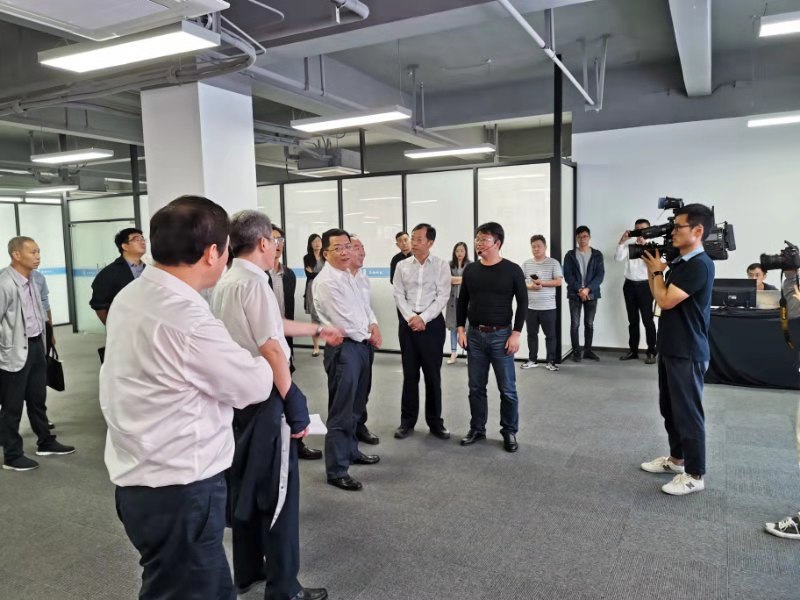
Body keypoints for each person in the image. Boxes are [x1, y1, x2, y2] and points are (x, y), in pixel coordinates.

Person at [101, 196, 275, 599]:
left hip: (140, 478)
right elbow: (252, 386)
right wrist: (270, 354)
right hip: (181, 490)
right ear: (213, 252)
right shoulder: (187, 319)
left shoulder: (133, 295)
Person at [212, 210, 333, 600]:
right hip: (266, 399)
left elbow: (272, 325)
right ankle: (284, 588)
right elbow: (272, 349)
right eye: (275, 241)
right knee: (279, 493)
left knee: (247, 484)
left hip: (238, 400)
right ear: (264, 242)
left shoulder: (228, 280)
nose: (277, 247)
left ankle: (248, 570)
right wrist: (293, 401)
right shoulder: (255, 283)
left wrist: (316, 329)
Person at [639, 203, 715, 496]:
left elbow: (666, 300)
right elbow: (659, 294)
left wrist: (658, 273)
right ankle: (676, 460)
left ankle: (695, 474)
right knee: (670, 408)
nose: (672, 232)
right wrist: (654, 271)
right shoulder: (682, 263)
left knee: (688, 413)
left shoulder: (698, 265)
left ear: (697, 231)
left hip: (688, 349)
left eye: (678, 226)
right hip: (671, 345)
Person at [313, 229, 382, 491]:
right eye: (338, 248)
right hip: (344, 349)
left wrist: (374, 325)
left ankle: (351, 451)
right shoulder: (326, 282)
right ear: (325, 253)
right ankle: (337, 469)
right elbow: (344, 322)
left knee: (356, 406)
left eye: (347, 246)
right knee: (341, 410)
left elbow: (365, 308)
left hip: (361, 346)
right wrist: (369, 333)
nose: (345, 252)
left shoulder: (350, 276)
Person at [0, 237, 75, 472]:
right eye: (32, 252)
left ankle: (46, 442)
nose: (38, 256)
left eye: (39, 251)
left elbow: (40, 311)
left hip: (36, 346)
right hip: (14, 352)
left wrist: (46, 337)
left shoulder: (34, 279)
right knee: (12, 407)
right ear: (16, 255)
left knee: (37, 399)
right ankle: (12, 455)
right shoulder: (5, 283)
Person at [457, 222, 527, 453]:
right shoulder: (471, 270)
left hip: (501, 336)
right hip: (475, 336)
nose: (479, 243)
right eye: (477, 239)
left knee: (507, 389)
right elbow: (462, 301)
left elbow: (523, 303)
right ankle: (477, 428)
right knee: (476, 387)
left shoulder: (512, 270)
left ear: (497, 243)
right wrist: (460, 329)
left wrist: (516, 333)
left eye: (484, 239)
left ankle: (509, 431)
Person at [392, 223, 451, 440]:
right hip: (408, 324)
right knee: (410, 375)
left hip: (432, 325)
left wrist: (423, 318)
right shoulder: (402, 266)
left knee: (433, 375)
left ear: (430, 242)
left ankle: (435, 423)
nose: (413, 243)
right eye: (412, 238)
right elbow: (398, 294)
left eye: (419, 239)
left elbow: (443, 296)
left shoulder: (441, 265)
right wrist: (411, 317)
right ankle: (407, 422)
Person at [270, 225, 324, 461]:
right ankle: (275, 448)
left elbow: (286, 317)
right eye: (272, 239)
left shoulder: (288, 275)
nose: (277, 244)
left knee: (287, 395)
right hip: (263, 349)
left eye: (280, 239)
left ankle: (294, 443)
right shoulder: (255, 278)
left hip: (285, 345)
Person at [348, 235, 380, 446]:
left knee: (363, 389)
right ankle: (347, 433)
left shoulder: (363, 278)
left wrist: (374, 324)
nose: (363, 252)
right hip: (348, 344)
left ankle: (360, 425)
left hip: (365, 342)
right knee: (347, 393)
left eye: (363, 247)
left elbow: (367, 308)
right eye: (357, 247)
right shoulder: (338, 280)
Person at [615, 219, 658, 364]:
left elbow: (656, 266)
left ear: (649, 231)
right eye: (637, 229)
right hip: (629, 286)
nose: (640, 232)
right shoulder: (629, 246)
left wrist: (645, 246)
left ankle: (651, 351)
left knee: (647, 320)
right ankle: (633, 351)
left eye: (643, 229)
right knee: (632, 320)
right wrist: (622, 241)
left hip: (646, 286)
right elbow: (617, 258)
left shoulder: (653, 247)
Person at [521, 235, 563, 372]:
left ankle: (551, 361)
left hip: (548, 307)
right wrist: (531, 286)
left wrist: (541, 283)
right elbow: (520, 282)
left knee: (550, 335)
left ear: (545, 247)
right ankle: (532, 360)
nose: (536, 249)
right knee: (531, 335)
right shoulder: (526, 264)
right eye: (533, 246)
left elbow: (558, 282)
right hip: (531, 307)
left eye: (539, 246)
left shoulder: (553, 263)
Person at [563, 225, 605, 362]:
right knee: (575, 324)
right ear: (576, 238)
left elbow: (600, 275)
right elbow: (568, 275)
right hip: (575, 293)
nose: (582, 239)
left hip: (591, 293)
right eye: (580, 236)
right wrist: (580, 289)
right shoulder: (570, 255)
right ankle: (576, 351)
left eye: (585, 236)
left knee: (589, 323)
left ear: (589, 237)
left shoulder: (597, 254)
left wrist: (587, 289)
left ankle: (588, 351)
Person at [90, 227, 147, 326]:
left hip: (148, 324)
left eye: (143, 239)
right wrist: (111, 327)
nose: (142, 242)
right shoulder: (109, 273)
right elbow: (99, 305)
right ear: (125, 246)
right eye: (136, 239)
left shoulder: (149, 269)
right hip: (124, 325)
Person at [446, 242, 470, 365]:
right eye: (457, 251)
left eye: (462, 251)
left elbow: (470, 280)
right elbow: (447, 280)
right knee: (453, 327)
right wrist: (462, 279)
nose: (459, 253)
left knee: (468, 327)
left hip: (467, 300)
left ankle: (468, 353)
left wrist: (456, 280)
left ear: (465, 252)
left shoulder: (471, 265)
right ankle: (453, 353)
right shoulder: (450, 265)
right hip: (453, 300)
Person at [302, 234, 324, 357]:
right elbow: (309, 275)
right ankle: (316, 347)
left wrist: (315, 273)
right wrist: (320, 273)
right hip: (312, 288)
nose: (317, 243)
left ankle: (331, 344)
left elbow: (328, 274)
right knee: (315, 318)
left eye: (319, 241)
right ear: (310, 244)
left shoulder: (326, 256)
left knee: (328, 315)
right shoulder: (307, 258)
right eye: (314, 241)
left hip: (325, 288)